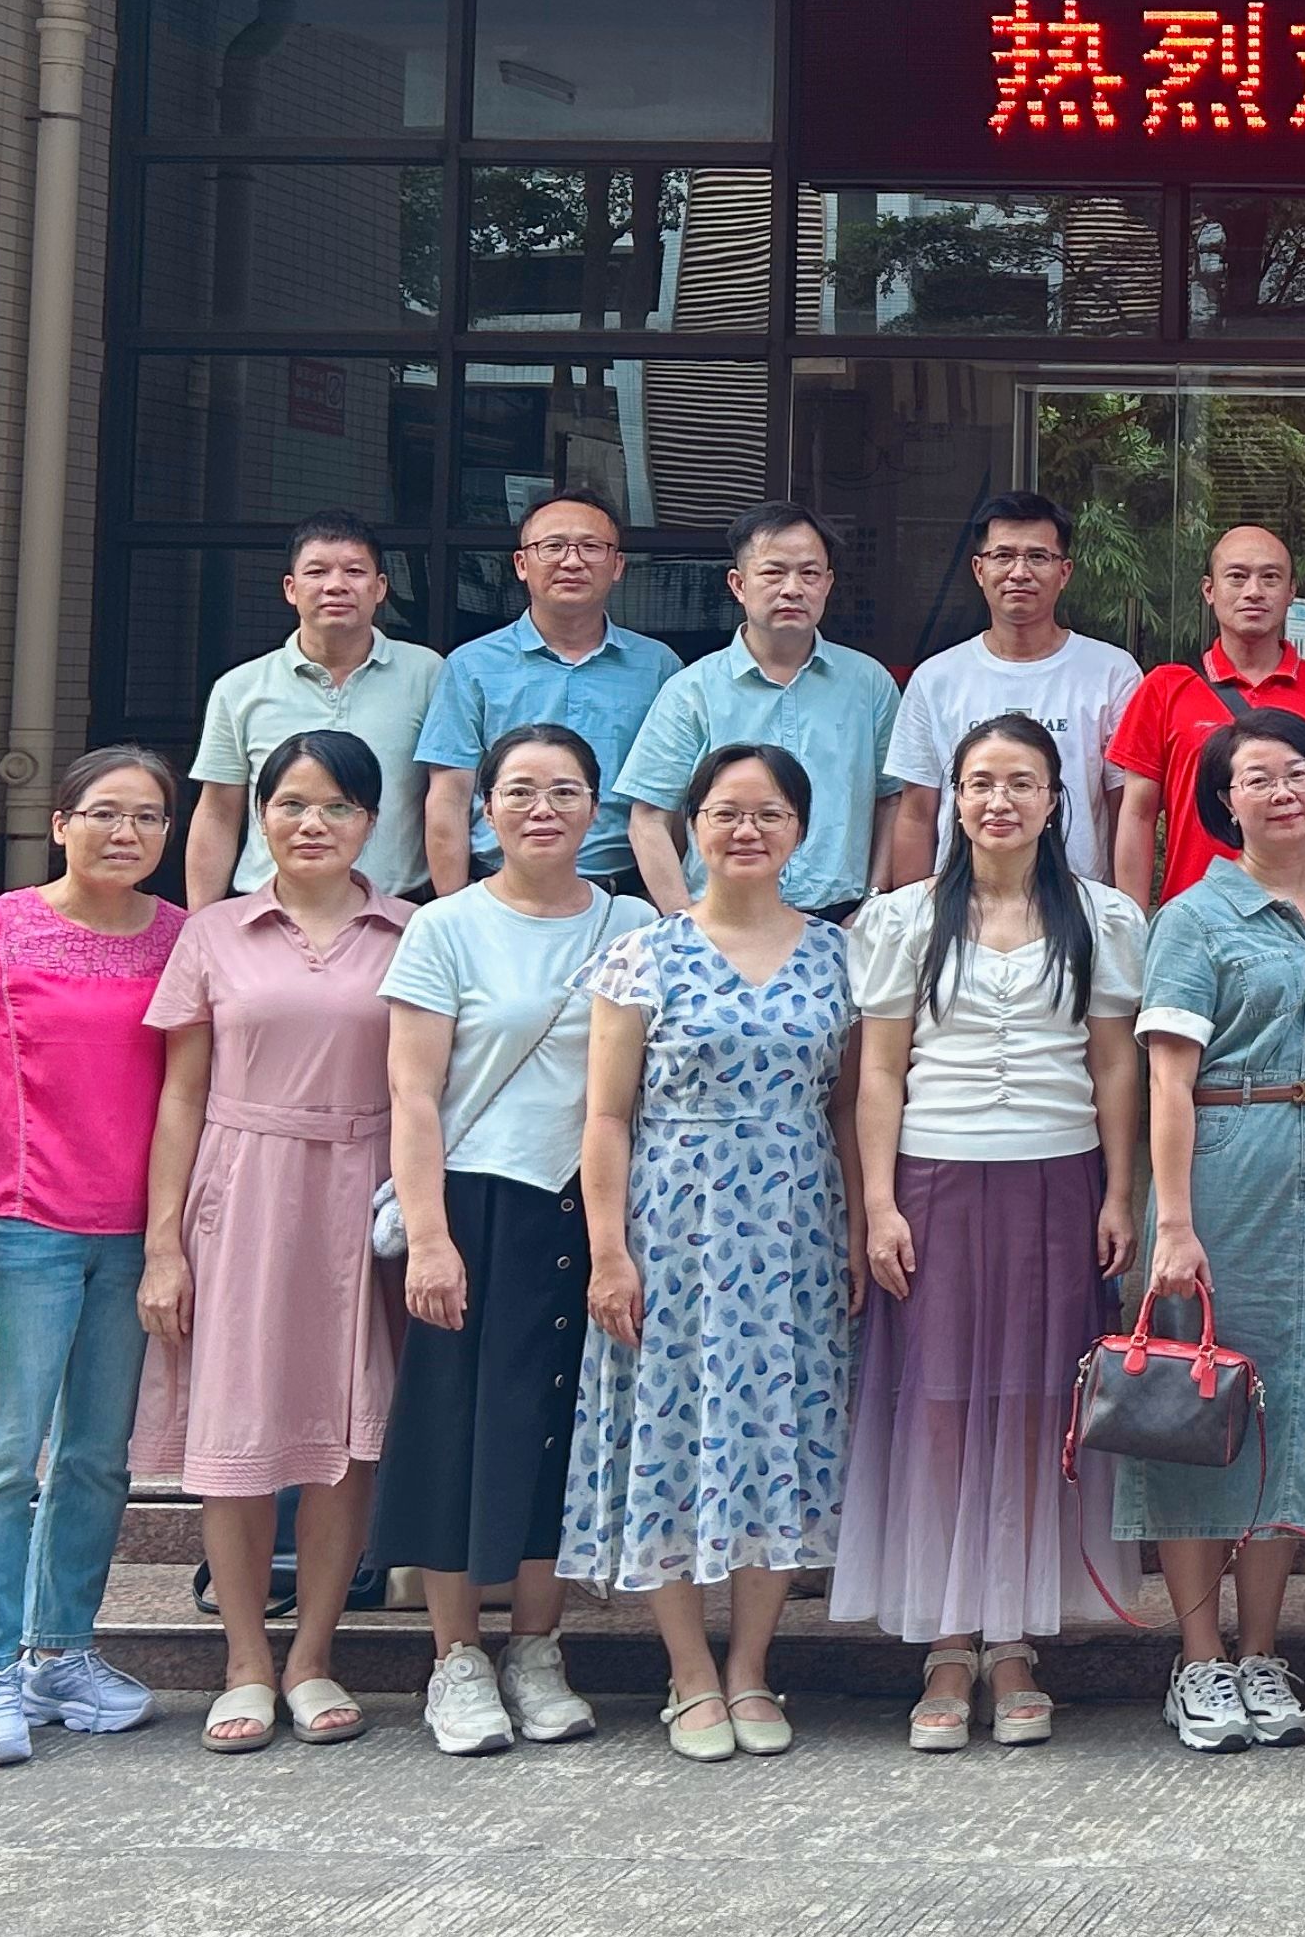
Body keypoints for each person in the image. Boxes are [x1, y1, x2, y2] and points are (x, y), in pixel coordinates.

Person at [838, 715, 1144, 1749]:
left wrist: (1121, 1191)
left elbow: (1113, 1063)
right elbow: (880, 1071)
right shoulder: (901, 918)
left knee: (1032, 1405)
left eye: (1021, 783)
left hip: (1058, 1178)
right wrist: (878, 1202)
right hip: (934, 1180)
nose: (998, 801)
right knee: (937, 1405)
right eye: (979, 783)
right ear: (955, 800)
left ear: (1056, 801)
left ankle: (1013, 1641)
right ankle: (946, 1640)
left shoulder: (1102, 916)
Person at [556, 746, 861, 1764]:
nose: (746, 830)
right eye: (726, 812)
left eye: (769, 813)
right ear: (692, 826)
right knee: (673, 1430)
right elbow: (607, 1116)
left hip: (796, 1225)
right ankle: (688, 1674)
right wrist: (609, 1252)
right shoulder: (645, 954)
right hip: (674, 1225)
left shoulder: (839, 955)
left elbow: (848, 1107)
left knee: (779, 1432)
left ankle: (752, 1667)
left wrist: (859, 1227)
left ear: (800, 830)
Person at [373, 723, 655, 1757]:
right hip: (479, 1203)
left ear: (597, 809)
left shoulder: (634, 923)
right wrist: (430, 1238)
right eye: (521, 791)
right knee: (455, 1426)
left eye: (566, 790)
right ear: (485, 808)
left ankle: (537, 1648)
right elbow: (413, 1095)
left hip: (593, 1207)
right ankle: (456, 1658)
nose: (544, 809)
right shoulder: (445, 927)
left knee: (558, 1431)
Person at [131, 731, 410, 1753]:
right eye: (291, 803)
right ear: (260, 817)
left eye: (337, 806)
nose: (312, 824)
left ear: (370, 822)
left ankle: (314, 1656)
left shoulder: (412, 931)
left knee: (345, 1432)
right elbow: (180, 1094)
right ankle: (245, 1660)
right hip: (243, 1189)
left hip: (366, 1191)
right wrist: (164, 1244)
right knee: (239, 1429)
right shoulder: (214, 933)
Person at [0, 744, 187, 1768]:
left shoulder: (178, 938)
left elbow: (185, 1093)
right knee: (0, 1454)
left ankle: (61, 1652)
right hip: (19, 1230)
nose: (127, 833)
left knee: (96, 1458)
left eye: (149, 817)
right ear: (60, 823)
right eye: (106, 812)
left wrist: (166, 1240)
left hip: (130, 1237)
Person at [1133, 710, 1305, 1755]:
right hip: (1224, 1160)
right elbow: (1167, 1080)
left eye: (1300, 773)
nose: (1284, 792)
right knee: (1202, 1405)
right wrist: (1173, 1221)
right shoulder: (1194, 918)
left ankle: (1263, 1650)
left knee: (1298, 1410)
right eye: (1258, 778)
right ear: (1222, 801)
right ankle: (1198, 1659)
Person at [617, 502, 900, 923]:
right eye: (773, 572)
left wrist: (872, 904)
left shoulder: (869, 683)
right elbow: (648, 819)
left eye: (809, 573)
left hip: (843, 922)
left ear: (828, 583)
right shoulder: (692, 690)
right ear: (738, 584)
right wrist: (686, 922)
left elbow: (893, 800)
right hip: (721, 923)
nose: (793, 588)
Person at [419, 486, 678, 894]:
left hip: (625, 896)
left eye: (591, 547)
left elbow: (674, 798)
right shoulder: (471, 666)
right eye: (553, 546)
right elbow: (449, 797)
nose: (572, 561)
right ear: (521, 564)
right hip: (499, 893)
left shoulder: (659, 667)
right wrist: (455, 910)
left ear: (617, 565)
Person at [883, 491, 1142, 890]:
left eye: (1038, 557)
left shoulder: (1112, 673)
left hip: (1076, 901)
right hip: (960, 904)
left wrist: (1120, 910)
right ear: (978, 569)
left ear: (1065, 572)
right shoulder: (935, 678)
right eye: (1002, 556)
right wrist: (913, 911)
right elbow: (917, 813)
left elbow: (1126, 808)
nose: (1019, 572)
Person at [186, 514, 442, 904]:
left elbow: (449, 798)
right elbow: (218, 814)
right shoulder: (240, 687)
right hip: (267, 911)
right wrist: (201, 923)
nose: (335, 585)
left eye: (354, 571)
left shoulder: (429, 675)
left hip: (396, 911)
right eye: (317, 572)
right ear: (291, 588)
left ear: (380, 588)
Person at [1108, 524, 1305, 907]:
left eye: (1270, 578)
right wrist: (1133, 924)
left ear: (1291, 591)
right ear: (1209, 590)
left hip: (1298, 916)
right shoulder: (1165, 687)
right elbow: (1138, 814)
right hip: (1192, 914)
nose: (1254, 591)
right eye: (1237, 577)